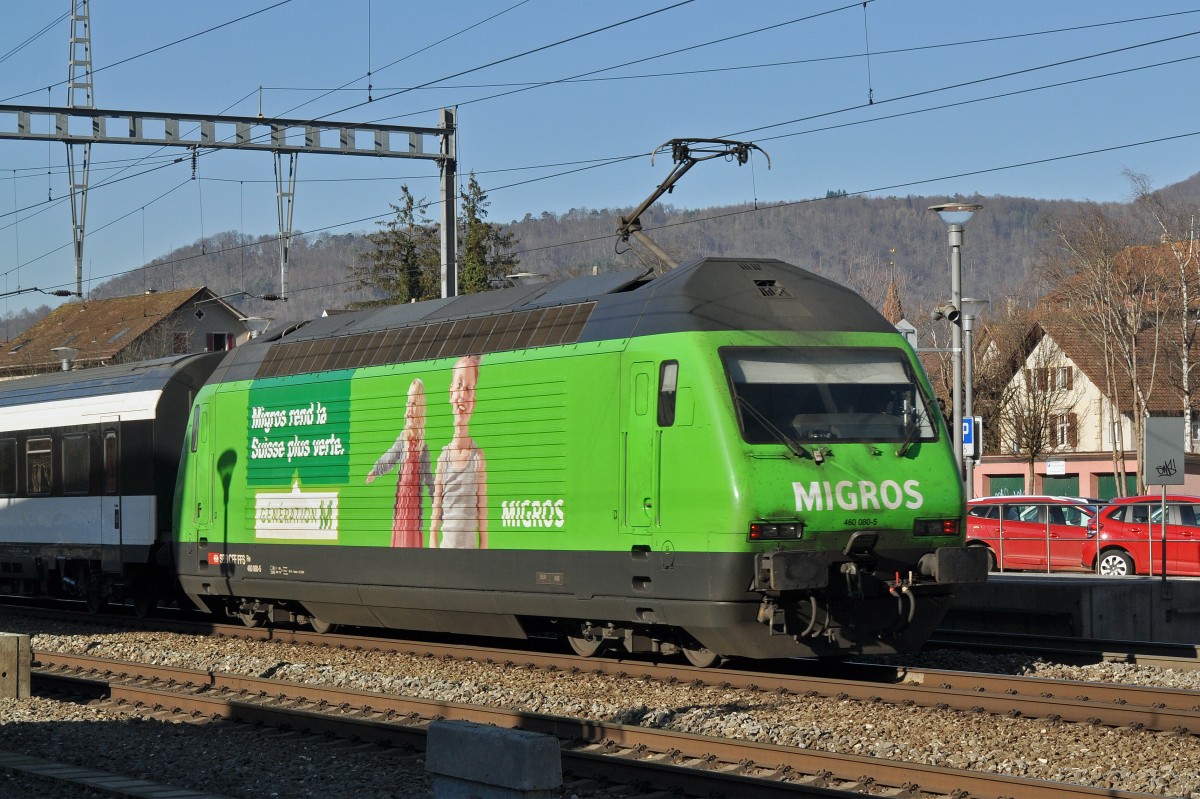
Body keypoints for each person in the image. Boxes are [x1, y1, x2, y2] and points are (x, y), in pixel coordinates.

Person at [429, 354, 488, 548]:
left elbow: (482, 509)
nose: (463, 393)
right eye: (459, 385)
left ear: (474, 401)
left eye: (469, 388)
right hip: (445, 549)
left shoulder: (477, 457)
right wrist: (432, 546)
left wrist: (484, 547)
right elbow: (436, 509)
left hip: (470, 552)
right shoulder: (443, 459)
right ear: (450, 393)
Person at [366, 378, 433, 547]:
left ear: (420, 409)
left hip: (414, 504)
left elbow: (428, 477)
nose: (409, 408)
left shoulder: (422, 445)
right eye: (408, 403)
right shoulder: (403, 438)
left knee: (412, 532)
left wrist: (437, 500)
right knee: (402, 531)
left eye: (414, 404)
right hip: (403, 500)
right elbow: (391, 456)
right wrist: (376, 470)